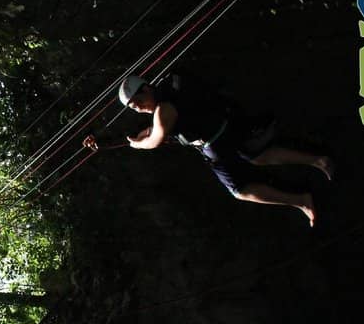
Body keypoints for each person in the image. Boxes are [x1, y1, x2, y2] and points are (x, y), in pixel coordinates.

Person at [83, 73, 333, 227]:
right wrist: (104, 141)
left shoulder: (164, 110)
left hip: (215, 142)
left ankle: (301, 201)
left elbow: (154, 138)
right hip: (227, 119)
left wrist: (137, 144)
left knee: (240, 190)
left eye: (138, 103)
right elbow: (149, 129)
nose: (138, 108)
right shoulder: (171, 83)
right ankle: (318, 161)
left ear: (146, 88)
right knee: (258, 156)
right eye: (134, 107)